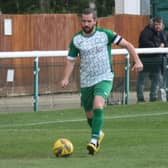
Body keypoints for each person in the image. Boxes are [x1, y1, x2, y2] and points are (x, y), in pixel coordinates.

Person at [61, 8, 143, 155]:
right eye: (83, 21)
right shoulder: (76, 39)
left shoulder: (105, 34)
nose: (86, 24)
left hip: (104, 76)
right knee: (89, 115)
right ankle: (98, 132)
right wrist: (66, 77)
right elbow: (71, 61)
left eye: (89, 21)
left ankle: (94, 141)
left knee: (98, 105)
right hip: (86, 81)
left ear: (95, 21)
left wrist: (137, 61)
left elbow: (128, 45)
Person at [136, 16, 168, 102]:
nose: (158, 26)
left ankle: (153, 98)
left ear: (162, 25)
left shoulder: (162, 33)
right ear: (153, 24)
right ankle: (140, 98)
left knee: (157, 79)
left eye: (159, 24)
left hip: (157, 60)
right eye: (156, 24)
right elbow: (144, 43)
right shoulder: (146, 32)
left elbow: (165, 43)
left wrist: (162, 46)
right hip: (145, 60)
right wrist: (158, 46)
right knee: (142, 80)